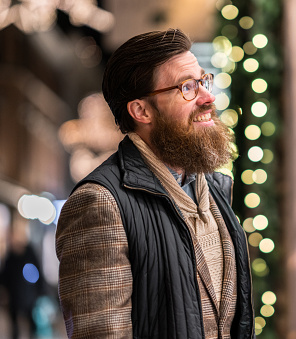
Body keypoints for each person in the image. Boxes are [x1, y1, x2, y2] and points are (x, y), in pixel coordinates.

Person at [55, 28, 254, 338]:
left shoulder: (216, 189)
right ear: (141, 110)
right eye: (187, 87)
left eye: (203, 81)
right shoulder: (100, 203)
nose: (208, 97)